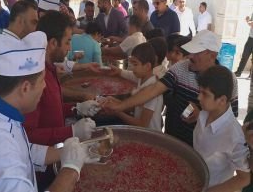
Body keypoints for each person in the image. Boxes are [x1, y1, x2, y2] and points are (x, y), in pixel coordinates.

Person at [0, 30, 97, 192]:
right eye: (41, 82)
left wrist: (64, 152)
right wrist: (71, 169)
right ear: (25, 88)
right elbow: (10, 153)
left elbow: (24, 149)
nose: (45, 86)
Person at [103, 30, 239, 146]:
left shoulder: (228, 79)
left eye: (196, 53)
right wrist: (120, 106)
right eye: (191, 51)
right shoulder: (180, 68)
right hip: (172, 136)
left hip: (202, 146)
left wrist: (201, 116)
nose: (190, 56)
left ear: (212, 55)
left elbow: (230, 119)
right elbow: (153, 89)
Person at [24, 11, 100, 190]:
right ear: (52, 43)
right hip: (39, 168)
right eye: (67, 41)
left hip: (56, 155)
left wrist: (77, 108)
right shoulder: (36, 78)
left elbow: (53, 107)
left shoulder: (50, 69)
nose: (69, 48)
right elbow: (29, 136)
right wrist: (71, 131)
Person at [194, 65, 250, 191]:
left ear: (222, 100)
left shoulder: (235, 135)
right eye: (199, 91)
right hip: (195, 180)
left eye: (205, 94)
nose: (198, 97)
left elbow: (244, 178)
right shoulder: (204, 113)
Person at [0, 0, 39, 94]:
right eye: (33, 22)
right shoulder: (1, 48)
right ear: (20, 21)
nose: (36, 28)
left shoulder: (17, 44)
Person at [104, 43, 163, 130]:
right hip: (141, 132)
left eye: (135, 64)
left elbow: (142, 125)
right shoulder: (141, 79)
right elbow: (134, 107)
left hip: (150, 136)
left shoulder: (151, 90)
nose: (132, 68)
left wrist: (117, 111)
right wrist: (114, 101)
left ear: (147, 66)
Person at [234, 13, 253, 77]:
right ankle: (238, 72)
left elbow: (251, 24)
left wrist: (248, 21)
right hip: (250, 38)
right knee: (245, 55)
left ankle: (251, 74)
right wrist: (249, 19)